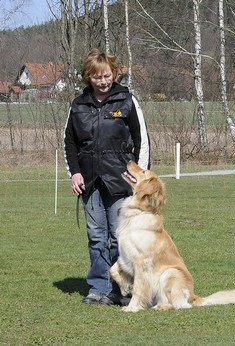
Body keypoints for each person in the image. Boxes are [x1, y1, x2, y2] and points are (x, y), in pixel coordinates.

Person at [64, 49, 150, 305]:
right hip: (90, 182)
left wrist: (139, 179)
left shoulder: (127, 101)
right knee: (96, 236)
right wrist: (75, 173)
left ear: (114, 73)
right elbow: (69, 141)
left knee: (119, 237)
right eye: (97, 77)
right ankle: (98, 288)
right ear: (88, 78)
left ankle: (120, 289)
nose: (102, 81)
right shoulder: (78, 105)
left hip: (120, 181)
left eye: (107, 76)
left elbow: (141, 140)